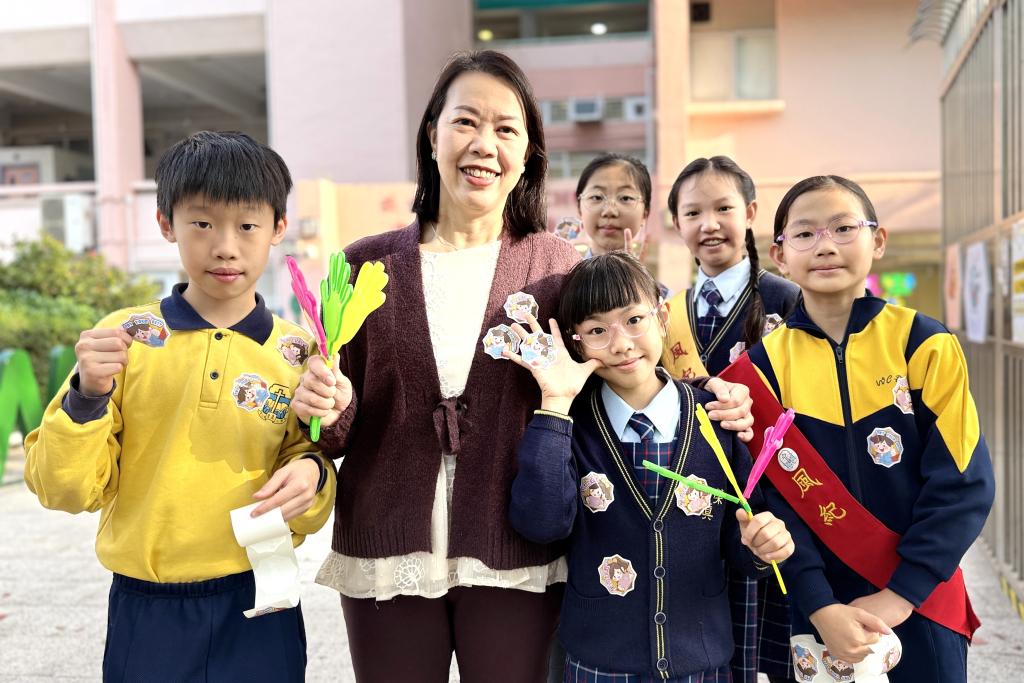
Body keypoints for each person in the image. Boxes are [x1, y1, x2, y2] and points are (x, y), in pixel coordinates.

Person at [290, 50, 756, 682]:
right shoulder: (364, 265)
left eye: (506, 129)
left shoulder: (558, 268)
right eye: (465, 122)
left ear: (529, 152)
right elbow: (332, 431)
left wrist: (707, 399)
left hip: (516, 549)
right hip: (387, 547)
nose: (484, 145)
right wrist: (325, 406)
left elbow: (624, 369)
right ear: (432, 134)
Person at [23, 131, 335, 681]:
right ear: (166, 223)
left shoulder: (301, 353)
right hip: (148, 608)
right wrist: (86, 395)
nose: (225, 246)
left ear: (278, 228)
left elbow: (310, 479)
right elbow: (64, 489)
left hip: (263, 597)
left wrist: (313, 473)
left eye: (247, 225)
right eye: (202, 223)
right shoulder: (124, 339)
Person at [723, 175, 995, 683]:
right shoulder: (760, 371)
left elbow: (963, 483)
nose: (825, 245)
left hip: (923, 601)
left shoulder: (924, 343)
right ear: (779, 256)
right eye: (805, 233)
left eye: (843, 228)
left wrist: (900, 596)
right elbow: (766, 502)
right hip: (818, 613)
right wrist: (819, 604)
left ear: (879, 240)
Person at [507, 252, 794, 682]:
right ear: (576, 343)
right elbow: (542, 524)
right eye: (597, 330)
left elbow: (741, 538)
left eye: (634, 320)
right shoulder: (570, 426)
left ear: (661, 317)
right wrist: (555, 403)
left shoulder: (716, 419)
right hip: (598, 662)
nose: (621, 344)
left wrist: (762, 544)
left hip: (700, 661)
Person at [663, 156, 801, 683]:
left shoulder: (788, 300)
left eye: (723, 208)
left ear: (750, 213)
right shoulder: (668, 314)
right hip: (696, 500)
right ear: (677, 224)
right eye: (693, 213)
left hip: (772, 501)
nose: (709, 224)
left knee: (774, 649)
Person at [575, 153, 651, 259]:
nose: (609, 211)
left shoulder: (653, 272)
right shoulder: (565, 270)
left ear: (645, 214)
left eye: (625, 198)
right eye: (596, 197)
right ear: (579, 209)